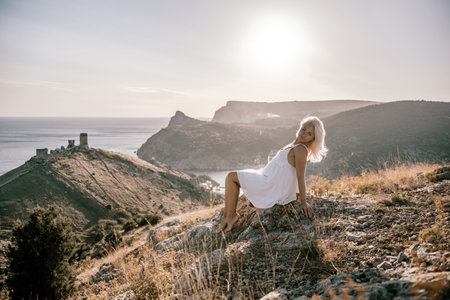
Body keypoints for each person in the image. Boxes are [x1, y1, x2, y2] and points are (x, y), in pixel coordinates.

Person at [218, 116, 328, 232]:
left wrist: (303, 202)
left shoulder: (300, 149)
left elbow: (300, 176)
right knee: (234, 177)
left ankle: (229, 217)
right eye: (304, 129)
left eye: (309, 134)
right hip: (267, 178)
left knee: (231, 177)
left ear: (312, 139)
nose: (304, 133)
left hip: (270, 184)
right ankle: (228, 216)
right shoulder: (294, 145)